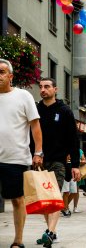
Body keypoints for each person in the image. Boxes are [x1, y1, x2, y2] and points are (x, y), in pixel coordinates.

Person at [0, 59, 43, 248]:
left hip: (15, 158)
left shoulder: (23, 96)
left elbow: (35, 126)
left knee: (17, 200)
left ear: (10, 76)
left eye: (1, 72)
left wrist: (38, 152)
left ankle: (18, 240)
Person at [35, 77, 81, 247]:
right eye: (41, 87)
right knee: (44, 200)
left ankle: (50, 232)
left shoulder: (65, 111)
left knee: (54, 196)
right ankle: (51, 232)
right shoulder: (36, 109)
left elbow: (73, 140)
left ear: (55, 89)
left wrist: (75, 165)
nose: (43, 89)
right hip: (39, 162)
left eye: (47, 86)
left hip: (59, 162)